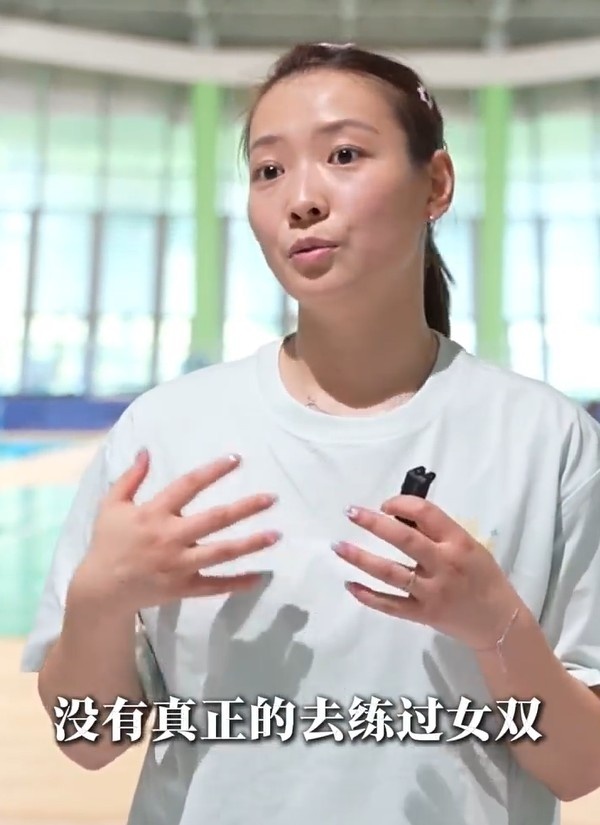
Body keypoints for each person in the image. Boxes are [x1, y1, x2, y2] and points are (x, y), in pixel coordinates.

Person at [21, 42, 600, 825]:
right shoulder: (164, 433)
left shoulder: (547, 441)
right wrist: (100, 600)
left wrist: (497, 624)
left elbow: (579, 765)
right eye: (269, 170)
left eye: (344, 155)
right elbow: (89, 741)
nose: (300, 199)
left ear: (436, 183)